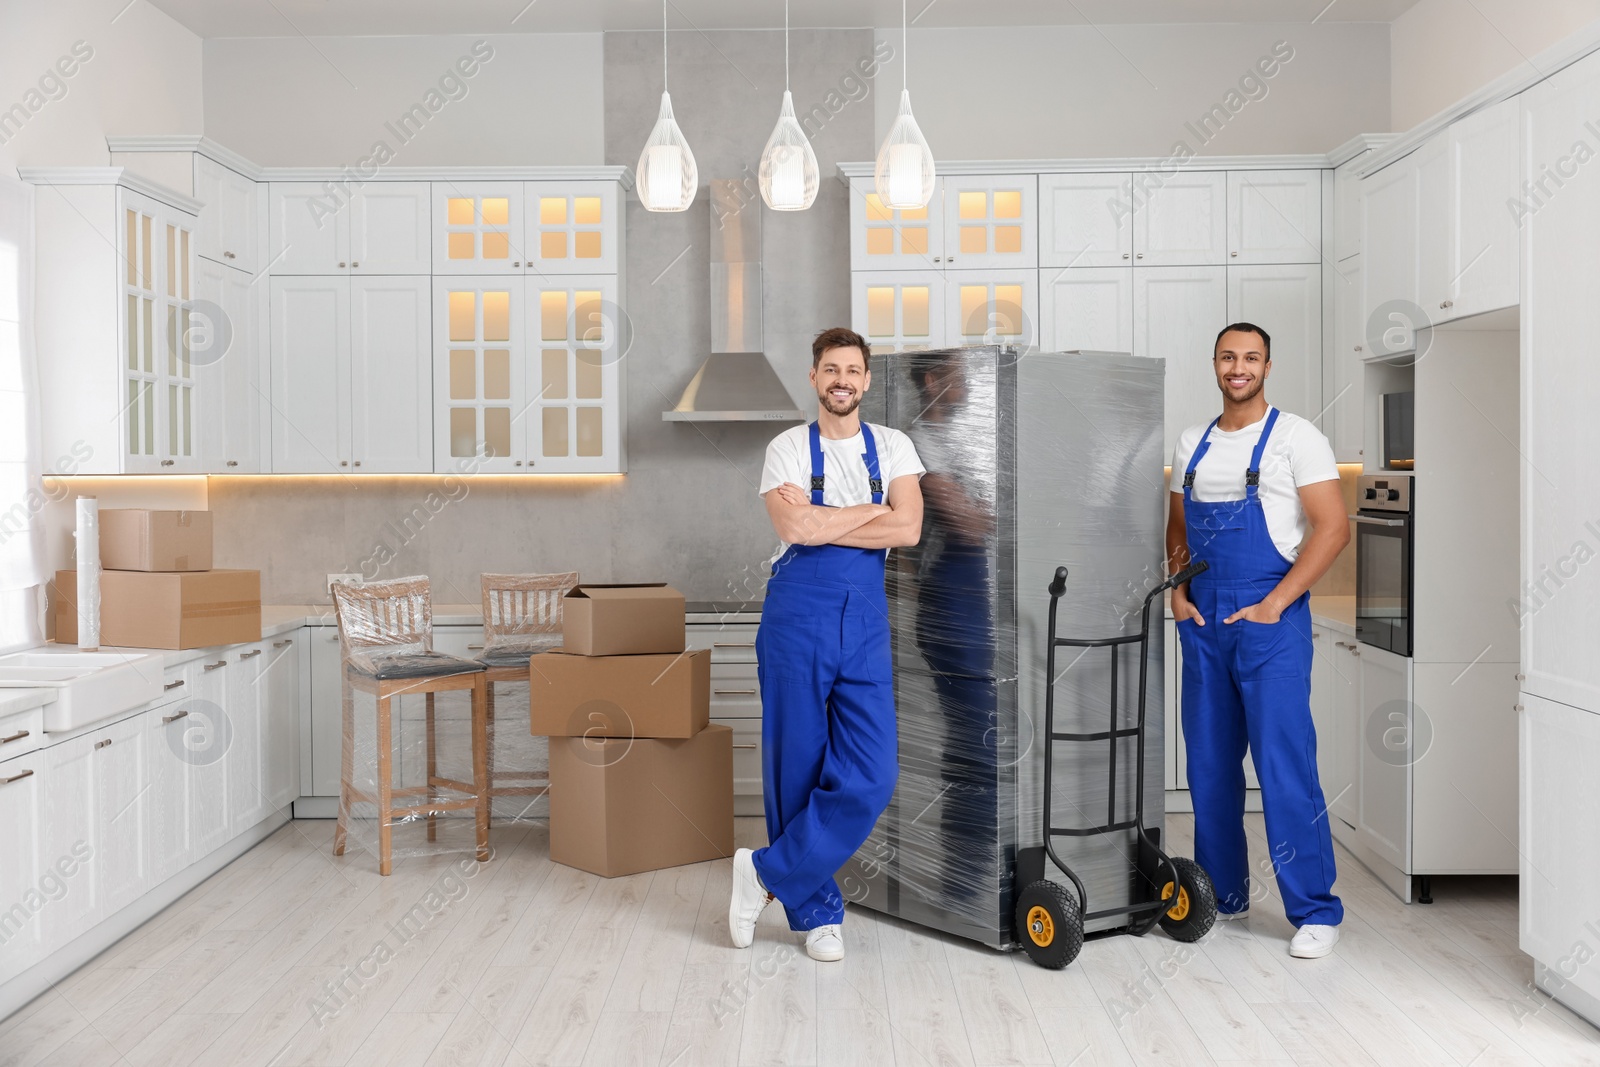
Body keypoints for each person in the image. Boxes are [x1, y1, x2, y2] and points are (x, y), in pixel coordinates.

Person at [729, 327, 925, 963]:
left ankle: (763, 872)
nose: (842, 379)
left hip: (864, 620)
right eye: (831, 369)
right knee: (798, 769)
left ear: (867, 381)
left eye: (853, 370)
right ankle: (816, 916)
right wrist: (871, 511)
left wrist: (824, 520)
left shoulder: (895, 446)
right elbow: (795, 528)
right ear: (814, 378)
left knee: (872, 772)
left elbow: (912, 527)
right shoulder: (785, 448)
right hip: (797, 618)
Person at [1166, 322, 1349, 959]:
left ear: (1267, 365)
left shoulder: (1298, 437)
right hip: (1205, 619)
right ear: (1214, 364)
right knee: (1209, 765)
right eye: (1227, 357)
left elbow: (1332, 530)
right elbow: (1178, 523)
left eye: (1250, 358)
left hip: (1272, 616)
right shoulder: (1192, 440)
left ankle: (1315, 910)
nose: (1237, 367)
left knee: (1282, 765)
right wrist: (1177, 589)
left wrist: (1275, 602)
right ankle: (1222, 893)